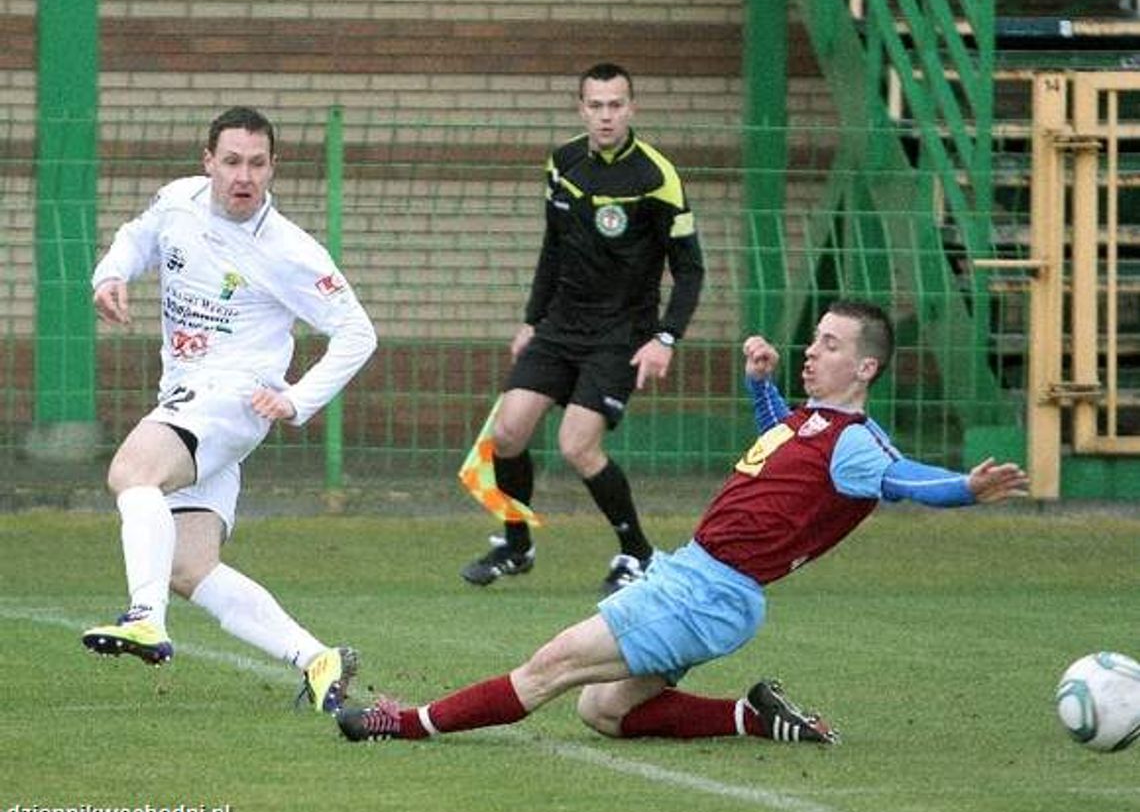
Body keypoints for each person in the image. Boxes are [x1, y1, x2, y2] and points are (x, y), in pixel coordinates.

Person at [336, 300, 1028, 744]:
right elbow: (779, 444)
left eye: (829, 344)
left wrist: (964, 486)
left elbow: (905, 478)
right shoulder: (814, 422)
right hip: (701, 582)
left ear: (866, 365)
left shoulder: (857, 444)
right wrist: (762, 384)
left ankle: (402, 721)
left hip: (705, 593)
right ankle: (753, 715)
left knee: (549, 668)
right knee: (602, 711)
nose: (812, 350)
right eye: (814, 338)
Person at [81, 106, 378, 712]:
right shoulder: (179, 201)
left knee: (131, 472)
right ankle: (316, 659)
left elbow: (357, 333)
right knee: (189, 566)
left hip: (233, 398)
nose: (244, 175)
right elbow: (140, 235)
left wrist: (296, 399)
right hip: (188, 397)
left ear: (273, 169)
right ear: (208, 162)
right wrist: (110, 275)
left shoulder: (290, 250)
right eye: (233, 161)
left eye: (258, 164)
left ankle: (144, 618)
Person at [460, 62, 705, 595]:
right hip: (560, 326)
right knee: (506, 432)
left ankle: (638, 552)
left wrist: (666, 337)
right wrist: (531, 319)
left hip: (621, 333)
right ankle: (516, 545)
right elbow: (554, 247)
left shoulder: (656, 177)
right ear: (581, 109)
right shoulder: (564, 162)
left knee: (577, 446)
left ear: (631, 108)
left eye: (616, 105)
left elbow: (689, 269)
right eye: (596, 105)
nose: (606, 116)